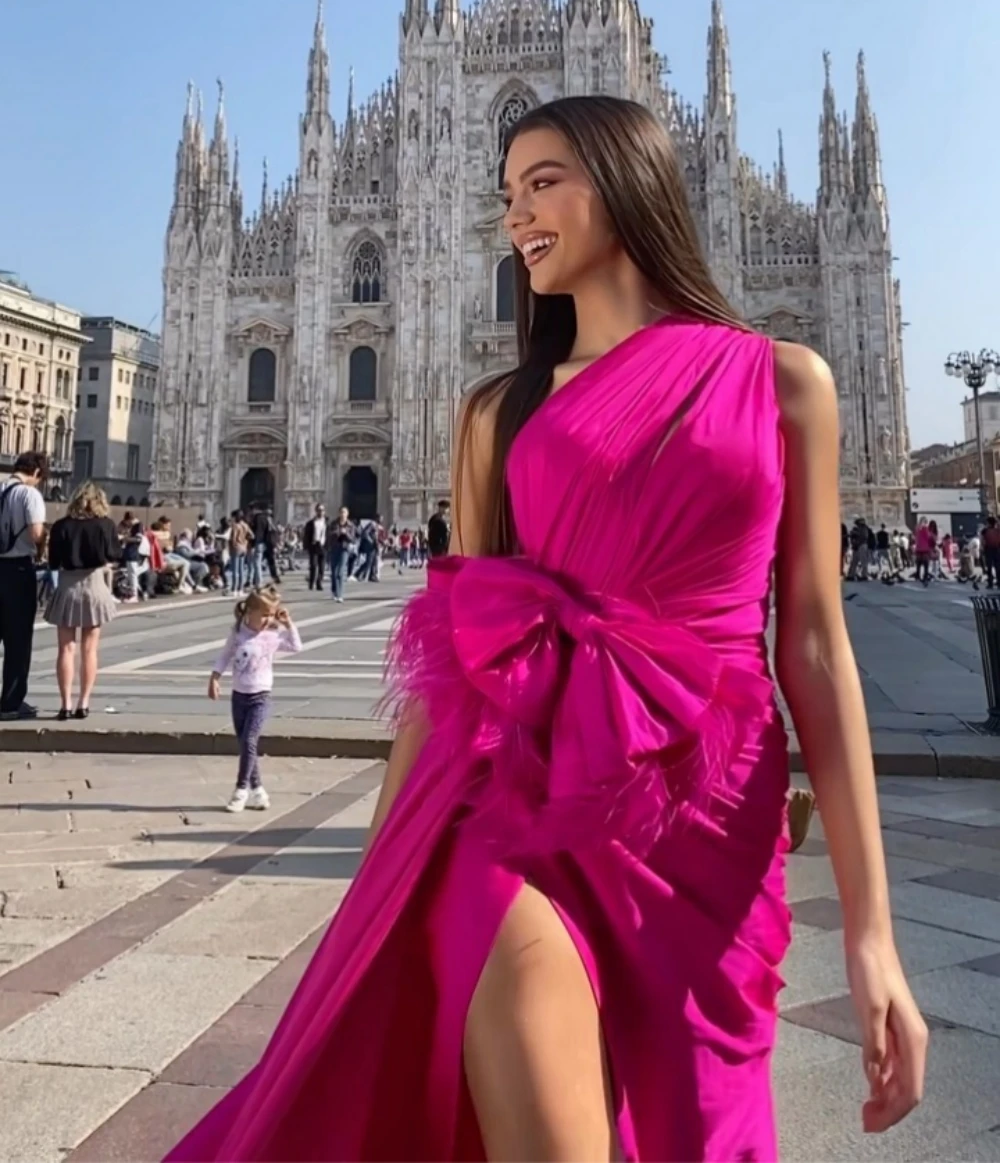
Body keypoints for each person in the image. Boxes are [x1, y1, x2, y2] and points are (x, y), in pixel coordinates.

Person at [168, 95, 926, 1163]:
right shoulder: (492, 412)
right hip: (519, 800)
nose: (516, 215)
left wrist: (870, 929)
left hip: (703, 808)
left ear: (629, 181)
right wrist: (377, 887)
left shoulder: (784, 380)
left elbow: (811, 647)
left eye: (542, 183)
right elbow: (456, 660)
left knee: (697, 1129)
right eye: (505, 191)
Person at [207, 586, 302, 813]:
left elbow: (296, 646)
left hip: (261, 696)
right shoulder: (239, 632)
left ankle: (241, 790)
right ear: (250, 611)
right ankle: (258, 790)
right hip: (239, 695)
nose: (268, 619)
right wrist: (214, 677)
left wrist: (288, 624)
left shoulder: (271, 636)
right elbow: (225, 654)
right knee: (244, 745)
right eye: (264, 614)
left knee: (249, 741)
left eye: (271, 614)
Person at [45, 481, 121, 719]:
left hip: (68, 585)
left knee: (65, 649)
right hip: (94, 586)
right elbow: (115, 555)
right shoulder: (105, 525)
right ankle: (83, 703)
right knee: (90, 649)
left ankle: (65, 704)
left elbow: (53, 561)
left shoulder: (60, 526)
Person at [0, 452, 48, 721]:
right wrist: (42, 545)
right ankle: (10, 702)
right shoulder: (29, 495)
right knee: (17, 641)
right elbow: (35, 532)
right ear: (37, 473)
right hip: (18, 569)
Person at [326, 506, 355, 603]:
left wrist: (346, 533)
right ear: (339, 513)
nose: (343, 514)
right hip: (334, 548)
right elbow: (329, 534)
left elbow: (352, 539)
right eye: (341, 512)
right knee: (334, 572)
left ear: (347, 514)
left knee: (340, 572)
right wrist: (338, 532)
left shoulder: (351, 525)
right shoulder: (333, 524)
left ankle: (340, 594)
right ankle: (334, 590)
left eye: (344, 512)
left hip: (344, 549)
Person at [303, 503, 327, 590]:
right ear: (316, 511)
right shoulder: (311, 523)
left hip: (323, 545)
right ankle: (311, 582)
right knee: (313, 565)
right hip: (314, 545)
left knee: (322, 566)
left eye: (322, 510)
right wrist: (306, 546)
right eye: (319, 510)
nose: (321, 512)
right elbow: (306, 535)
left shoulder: (327, 522)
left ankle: (319, 583)